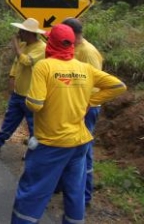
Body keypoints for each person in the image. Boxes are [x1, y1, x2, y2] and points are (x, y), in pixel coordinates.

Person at [11, 24, 127, 224]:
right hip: (79, 143)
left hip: (51, 142)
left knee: (33, 192)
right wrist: (91, 100)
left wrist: (37, 98)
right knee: (74, 192)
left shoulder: (44, 66)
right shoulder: (85, 69)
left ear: (51, 43)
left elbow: (35, 105)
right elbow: (119, 86)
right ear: (71, 44)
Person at [0, 18, 46, 152]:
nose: (18, 34)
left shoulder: (41, 48)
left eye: (21, 31)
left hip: (31, 95)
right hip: (18, 92)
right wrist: (12, 77)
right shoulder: (24, 45)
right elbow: (16, 63)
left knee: (33, 126)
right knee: (10, 120)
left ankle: (33, 153)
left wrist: (15, 45)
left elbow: (26, 61)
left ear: (28, 33)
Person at [60, 17, 104, 207]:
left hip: (87, 108)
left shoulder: (88, 52)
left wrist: (85, 105)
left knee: (84, 151)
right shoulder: (72, 48)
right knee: (68, 148)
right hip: (74, 107)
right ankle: (65, 186)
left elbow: (96, 84)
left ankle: (84, 196)